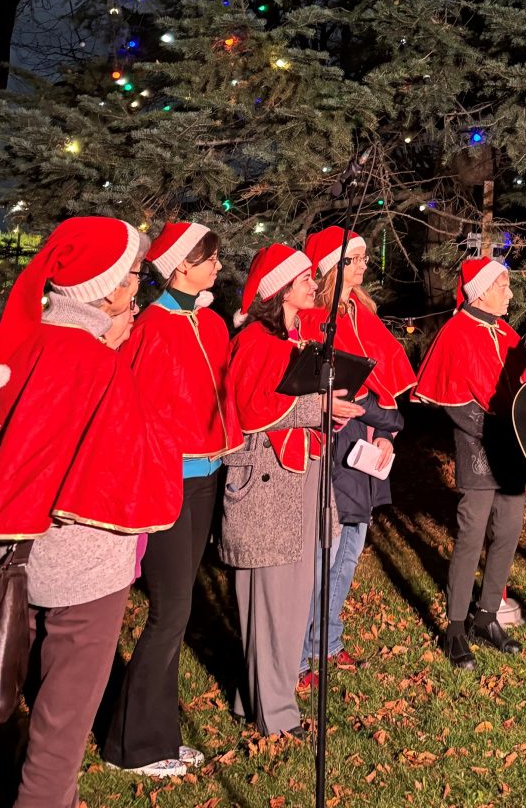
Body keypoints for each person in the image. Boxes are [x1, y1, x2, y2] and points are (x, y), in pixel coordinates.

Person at [0, 216, 182, 808]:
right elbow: (132, 459)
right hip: (85, 562)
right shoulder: (94, 362)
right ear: (109, 289)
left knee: (12, 685)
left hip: (15, 553)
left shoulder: (18, 343)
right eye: (134, 274)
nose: (139, 284)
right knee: (63, 717)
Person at [102, 221, 240, 780]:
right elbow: (130, 408)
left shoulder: (209, 321)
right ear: (181, 265)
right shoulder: (149, 327)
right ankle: (133, 745)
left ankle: (153, 735)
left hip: (206, 477)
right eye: (209, 260)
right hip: (166, 482)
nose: (218, 268)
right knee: (171, 611)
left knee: (175, 613)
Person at [220, 243, 365, 738]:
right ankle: (278, 718)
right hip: (266, 486)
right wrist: (318, 408)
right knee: (274, 603)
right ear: (277, 289)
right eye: (302, 277)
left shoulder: (294, 338)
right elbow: (251, 406)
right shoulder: (258, 341)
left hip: (293, 479)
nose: (311, 282)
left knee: (282, 601)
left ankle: (253, 702)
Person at [296, 226, 415, 688]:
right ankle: (302, 653)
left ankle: (327, 639)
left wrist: (388, 436)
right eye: (354, 258)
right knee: (324, 551)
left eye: (364, 257)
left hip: (368, 443)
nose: (364, 265)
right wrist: (382, 422)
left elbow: (385, 388)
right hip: (335, 441)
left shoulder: (362, 312)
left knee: (350, 549)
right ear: (331, 266)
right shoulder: (315, 318)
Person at [413, 257, 526, 668]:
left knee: (508, 533)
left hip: (514, 455)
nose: (510, 294)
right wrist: (496, 432)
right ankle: (456, 627)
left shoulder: (507, 334)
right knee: (471, 537)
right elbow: (454, 401)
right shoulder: (457, 332)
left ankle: (486, 616)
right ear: (480, 290)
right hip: (481, 454)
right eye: (504, 286)